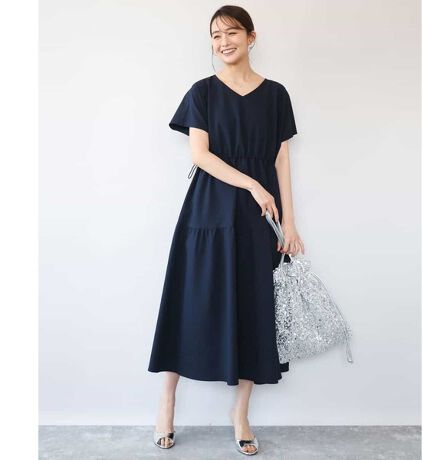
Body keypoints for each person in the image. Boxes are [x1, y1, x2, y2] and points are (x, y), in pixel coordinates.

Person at [147, 5, 304, 456]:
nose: (223, 42)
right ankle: (166, 402)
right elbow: (200, 155)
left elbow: (281, 159)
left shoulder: (276, 94)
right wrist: (252, 185)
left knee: (254, 304)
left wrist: (289, 223)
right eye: (215, 36)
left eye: (231, 33)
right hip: (209, 209)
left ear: (251, 37)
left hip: (259, 217)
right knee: (190, 299)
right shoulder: (202, 92)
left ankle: (240, 414)